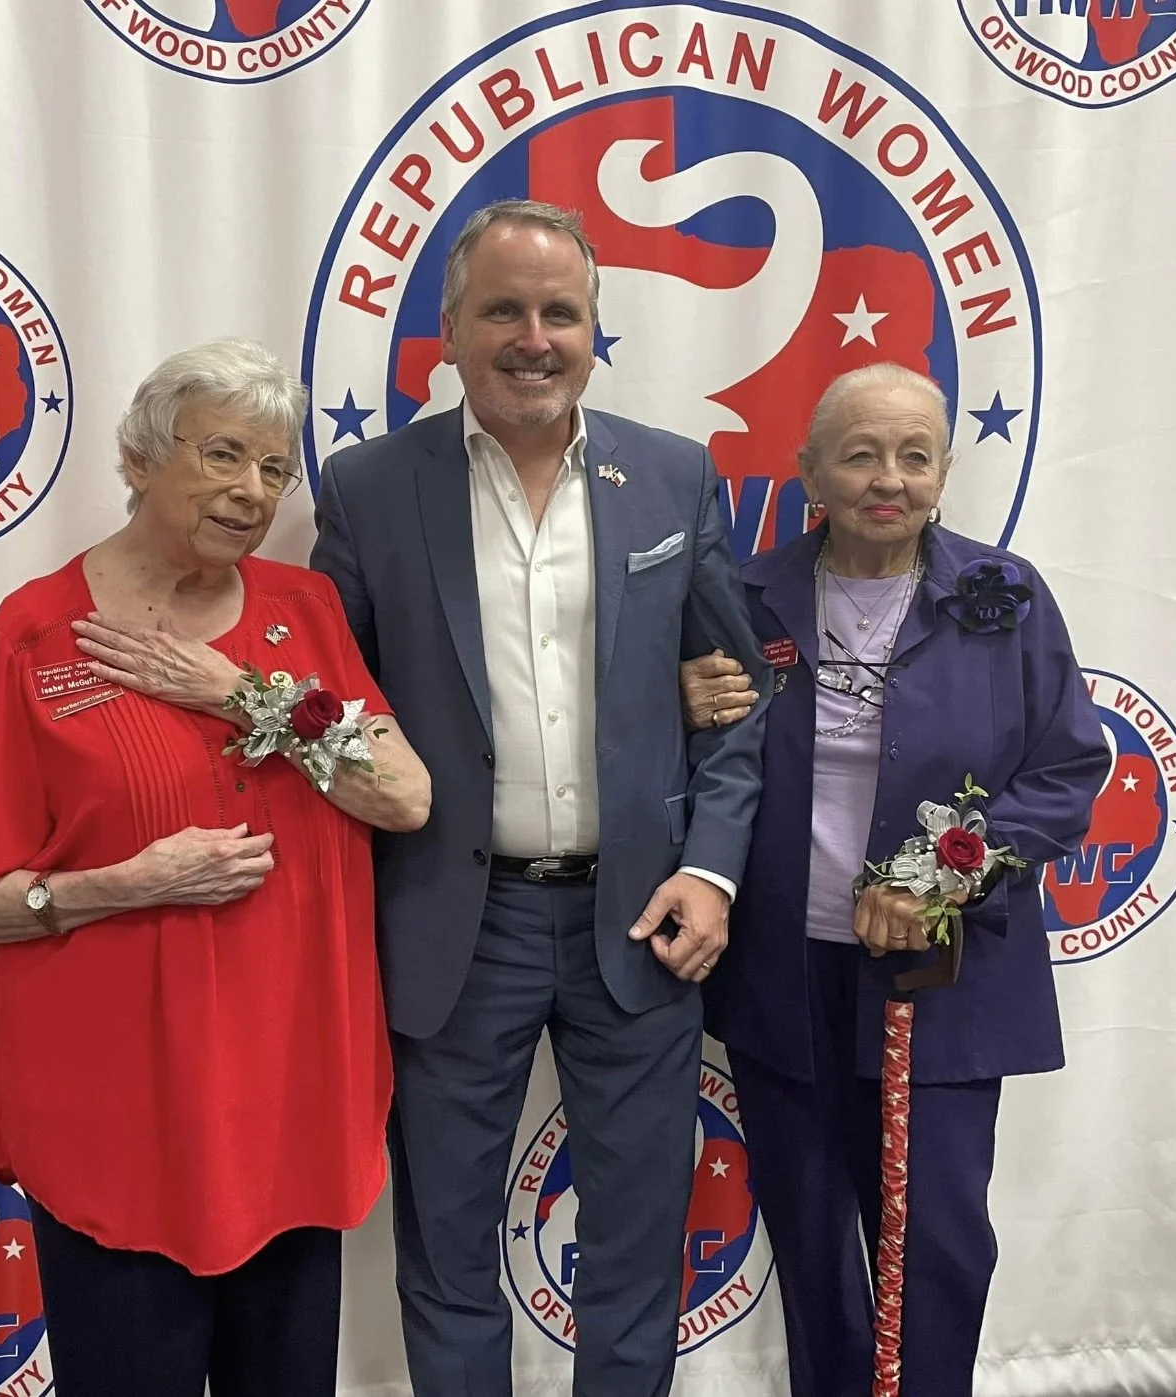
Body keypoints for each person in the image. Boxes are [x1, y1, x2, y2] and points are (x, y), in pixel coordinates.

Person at [311, 199, 770, 1397]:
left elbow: (739, 700)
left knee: (634, 1246)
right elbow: (326, 708)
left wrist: (712, 866)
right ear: (450, 334)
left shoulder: (671, 474)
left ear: (594, 328)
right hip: (453, 926)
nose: (534, 336)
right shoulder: (367, 489)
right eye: (502, 311)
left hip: (644, 915)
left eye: (559, 312)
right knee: (447, 1247)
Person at [0, 339, 431, 1397]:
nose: (252, 491)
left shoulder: (305, 615)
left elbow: (405, 796)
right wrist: (124, 882)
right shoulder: (34, 633)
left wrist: (244, 695)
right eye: (223, 455)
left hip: (288, 1103)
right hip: (118, 1117)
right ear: (141, 458)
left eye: (275, 469)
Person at [681, 362, 1109, 1397]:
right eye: (861, 452)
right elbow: (686, 770)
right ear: (808, 469)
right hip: (785, 979)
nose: (890, 477)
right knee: (814, 1235)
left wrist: (946, 880)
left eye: (916, 455)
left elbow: (1066, 769)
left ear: (944, 470)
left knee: (940, 1238)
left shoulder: (1002, 596)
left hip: (945, 982)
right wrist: (679, 702)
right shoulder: (745, 594)